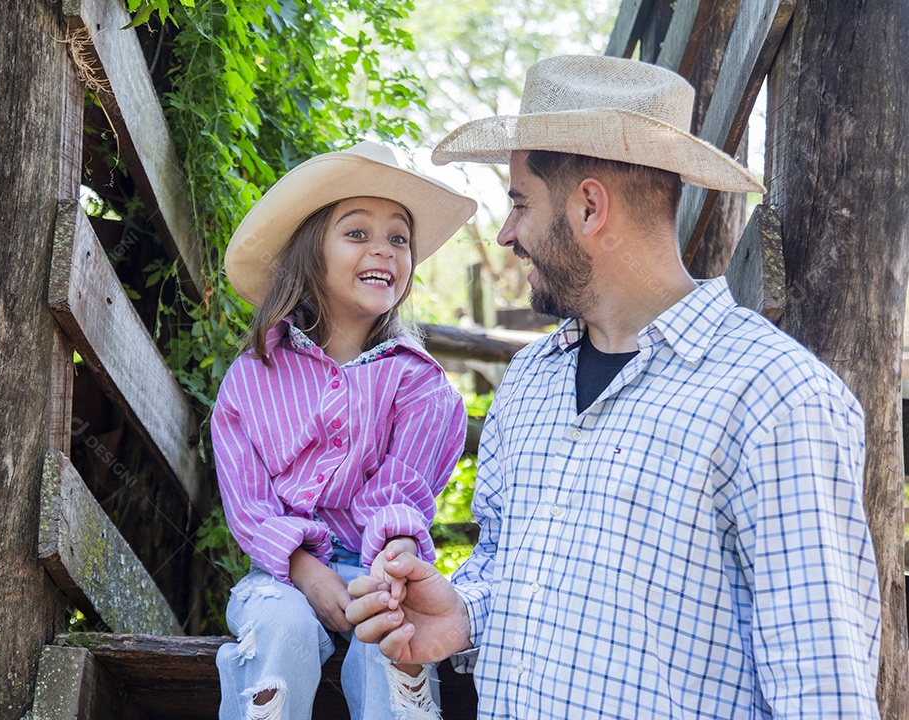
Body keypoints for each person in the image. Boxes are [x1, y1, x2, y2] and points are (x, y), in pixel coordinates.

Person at [346, 55, 881, 719]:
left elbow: (823, 694)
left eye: (519, 203)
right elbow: (505, 566)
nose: (508, 233)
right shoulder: (530, 382)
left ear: (590, 206)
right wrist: (458, 612)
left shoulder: (776, 398)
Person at [212, 140, 477, 720]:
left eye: (398, 238)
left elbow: (401, 498)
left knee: (393, 638)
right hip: (283, 574)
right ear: (311, 254)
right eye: (357, 233)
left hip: (380, 565)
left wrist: (393, 563)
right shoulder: (252, 379)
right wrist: (307, 574)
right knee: (277, 630)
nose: (383, 249)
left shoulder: (419, 386)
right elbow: (249, 505)